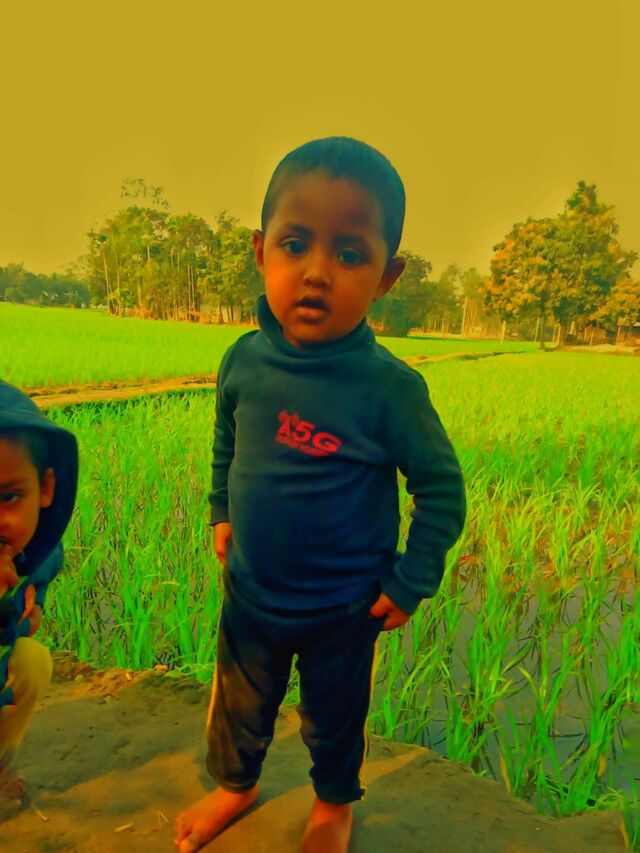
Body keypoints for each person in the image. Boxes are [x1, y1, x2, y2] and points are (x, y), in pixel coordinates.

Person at [175, 136, 466, 853]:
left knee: (335, 718)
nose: (316, 272)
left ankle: (334, 803)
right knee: (238, 708)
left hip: (344, 606)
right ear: (260, 250)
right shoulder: (243, 360)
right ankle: (236, 785)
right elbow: (226, 435)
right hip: (252, 591)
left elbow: (441, 489)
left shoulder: (389, 389)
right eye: (296, 244)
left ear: (387, 276)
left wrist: (412, 578)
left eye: (349, 253)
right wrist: (220, 509)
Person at [0, 381, 78, 814]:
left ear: (45, 488)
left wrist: (33, 610)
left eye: (8, 496)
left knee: (32, 661)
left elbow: (36, 596)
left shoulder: (40, 552)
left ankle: (0, 763)